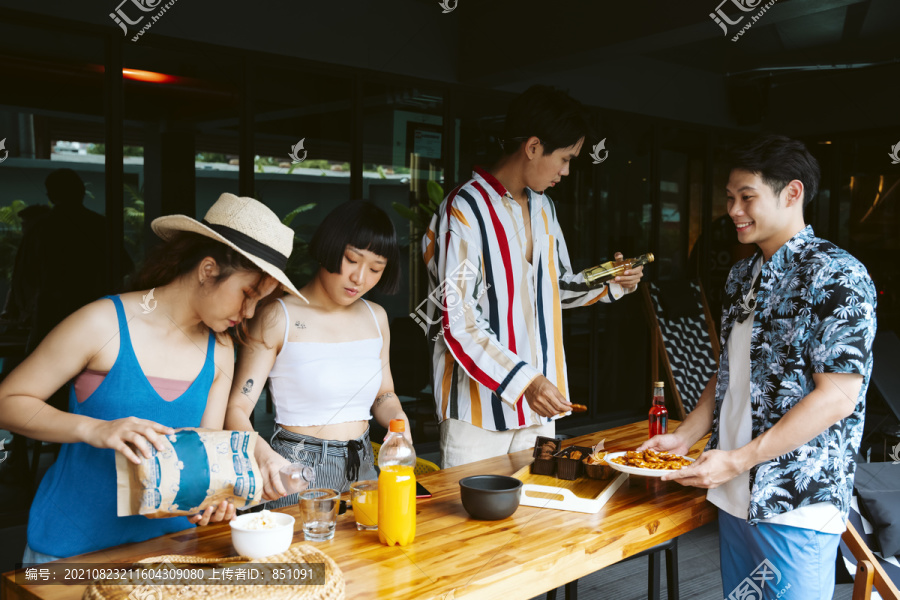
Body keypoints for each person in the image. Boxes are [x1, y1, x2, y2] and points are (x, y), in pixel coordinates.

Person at [0, 192, 301, 564]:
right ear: (208, 270)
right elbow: (8, 402)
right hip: (73, 548)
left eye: (260, 301)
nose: (250, 311)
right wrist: (96, 430)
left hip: (170, 550)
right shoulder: (102, 323)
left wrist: (215, 496)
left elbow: (204, 445)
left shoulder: (220, 347)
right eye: (247, 294)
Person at [639, 135, 877, 600]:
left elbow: (836, 398)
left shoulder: (837, 274)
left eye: (747, 197)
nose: (733, 210)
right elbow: (730, 371)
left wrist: (737, 460)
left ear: (792, 194)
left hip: (794, 505)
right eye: (729, 198)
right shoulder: (742, 274)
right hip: (734, 496)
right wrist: (685, 435)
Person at [422, 85, 644, 469]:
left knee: (535, 525)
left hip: (538, 411)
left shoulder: (544, 207)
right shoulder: (463, 210)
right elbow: (455, 319)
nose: (567, 171)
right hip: (478, 416)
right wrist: (526, 381)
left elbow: (552, 289)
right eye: (565, 158)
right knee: (473, 527)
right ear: (534, 146)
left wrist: (612, 283)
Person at [225, 200, 410, 507]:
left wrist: (398, 423)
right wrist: (267, 460)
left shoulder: (376, 317)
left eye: (376, 268)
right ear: (329, 247)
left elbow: (383, 394)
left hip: (364, 466)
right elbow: (237, 408)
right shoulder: (278, 317)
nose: (360, 278)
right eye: (352, 260)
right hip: (298, 468)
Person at [17, 169, 133, 353]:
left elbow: (25, 279)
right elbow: (124, 268)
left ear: (51, 196)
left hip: (51, 317)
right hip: (96, 314)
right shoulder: (101, 227)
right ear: (81, 192)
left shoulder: (40, 230)